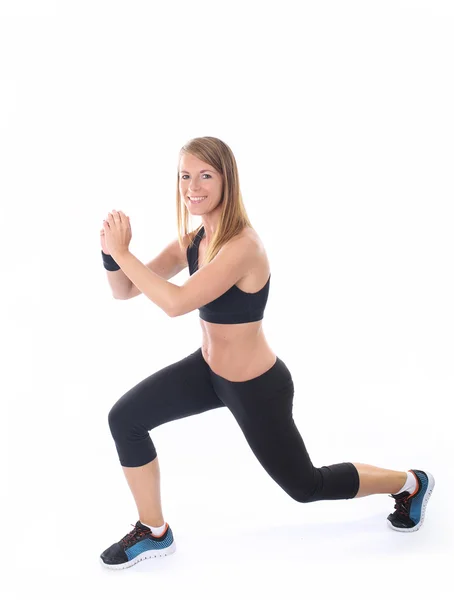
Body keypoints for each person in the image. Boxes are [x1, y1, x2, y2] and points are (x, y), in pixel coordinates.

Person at [98, 136, 434, 570]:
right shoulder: (194, 240)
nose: (192, 186)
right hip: (207, 372)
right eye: (185, 175)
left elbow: (176, 303)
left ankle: (409, 483)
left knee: (305, 485)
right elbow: (124, 290)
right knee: (125, 419)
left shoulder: (243, 247)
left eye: (205, 175)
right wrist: (110, 254)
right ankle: (154, 531)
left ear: (226, 181)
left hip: (256, 387)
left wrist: (125, 253)